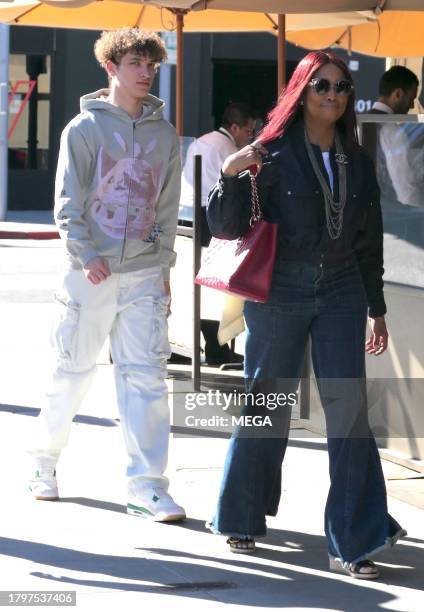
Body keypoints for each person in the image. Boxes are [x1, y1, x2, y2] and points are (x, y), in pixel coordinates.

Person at [206, 51, 406, 579]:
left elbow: (368, 243)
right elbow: (226, 226)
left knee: (349, 413)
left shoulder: (359, 161)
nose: (333, 95)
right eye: (321, 85)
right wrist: (229, 173)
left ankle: (355, 538)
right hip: (280, 288)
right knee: (267, 403)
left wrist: (377, 309)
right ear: (302, 89)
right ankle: (241, 515)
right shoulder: (269, 153)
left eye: (341, 87)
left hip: (342, 290)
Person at [28, 28, 186, 523]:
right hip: (89, 273)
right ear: (111, 68)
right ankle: (43, 463)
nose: (146, 73)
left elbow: (165, 209)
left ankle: (147, 487)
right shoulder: (82, 128)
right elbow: (66, 203)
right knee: (71, 372)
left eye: (152, 65)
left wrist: (163, 268)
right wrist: (83, 252)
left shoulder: (164, 135)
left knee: (147, 380)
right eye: (137, 63)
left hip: (142, 273)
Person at [180, 103, 256, 365]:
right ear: (234, 128)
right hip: (211, 219)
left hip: (189, 215)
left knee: (203, 286)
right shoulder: (228, 149)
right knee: (218, 287)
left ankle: (214, 344)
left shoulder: (202, 141)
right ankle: (216, 345)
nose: (250, 136)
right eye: (248, 130)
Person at [369, 66, 423, 208]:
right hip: (388, 218)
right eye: (410, 99)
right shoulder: (392, 131)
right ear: (398, 94)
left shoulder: (355, 124)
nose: (411, 106)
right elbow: (405, 189)